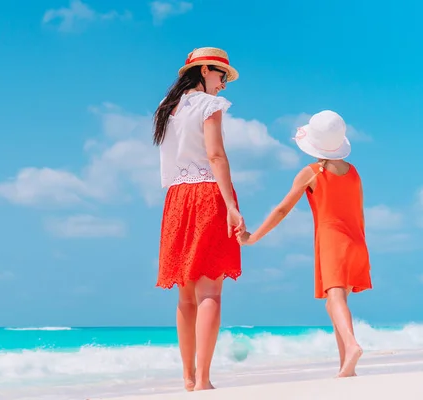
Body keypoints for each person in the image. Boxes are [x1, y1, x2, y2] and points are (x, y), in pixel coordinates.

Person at [237, 110, 372, 378]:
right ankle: (347, 365)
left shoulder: (311, 172)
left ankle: (352, 346)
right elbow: (360, 212)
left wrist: (252, 238)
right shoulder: (353, 172)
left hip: (332, 240)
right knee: (337, 301)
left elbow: (281, 210)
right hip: (357, 241)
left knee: (334, 299)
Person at [153, 47, 245, 391]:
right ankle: (204, 379)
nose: (223, 85)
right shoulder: (209, 106)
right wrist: (231, 206)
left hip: (177, 198)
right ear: (205, 70)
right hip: (207, 193)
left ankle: (188, 377)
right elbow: (215, 155)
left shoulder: (168, 108)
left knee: (185, 295)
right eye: (222, 76)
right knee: (211, 292)